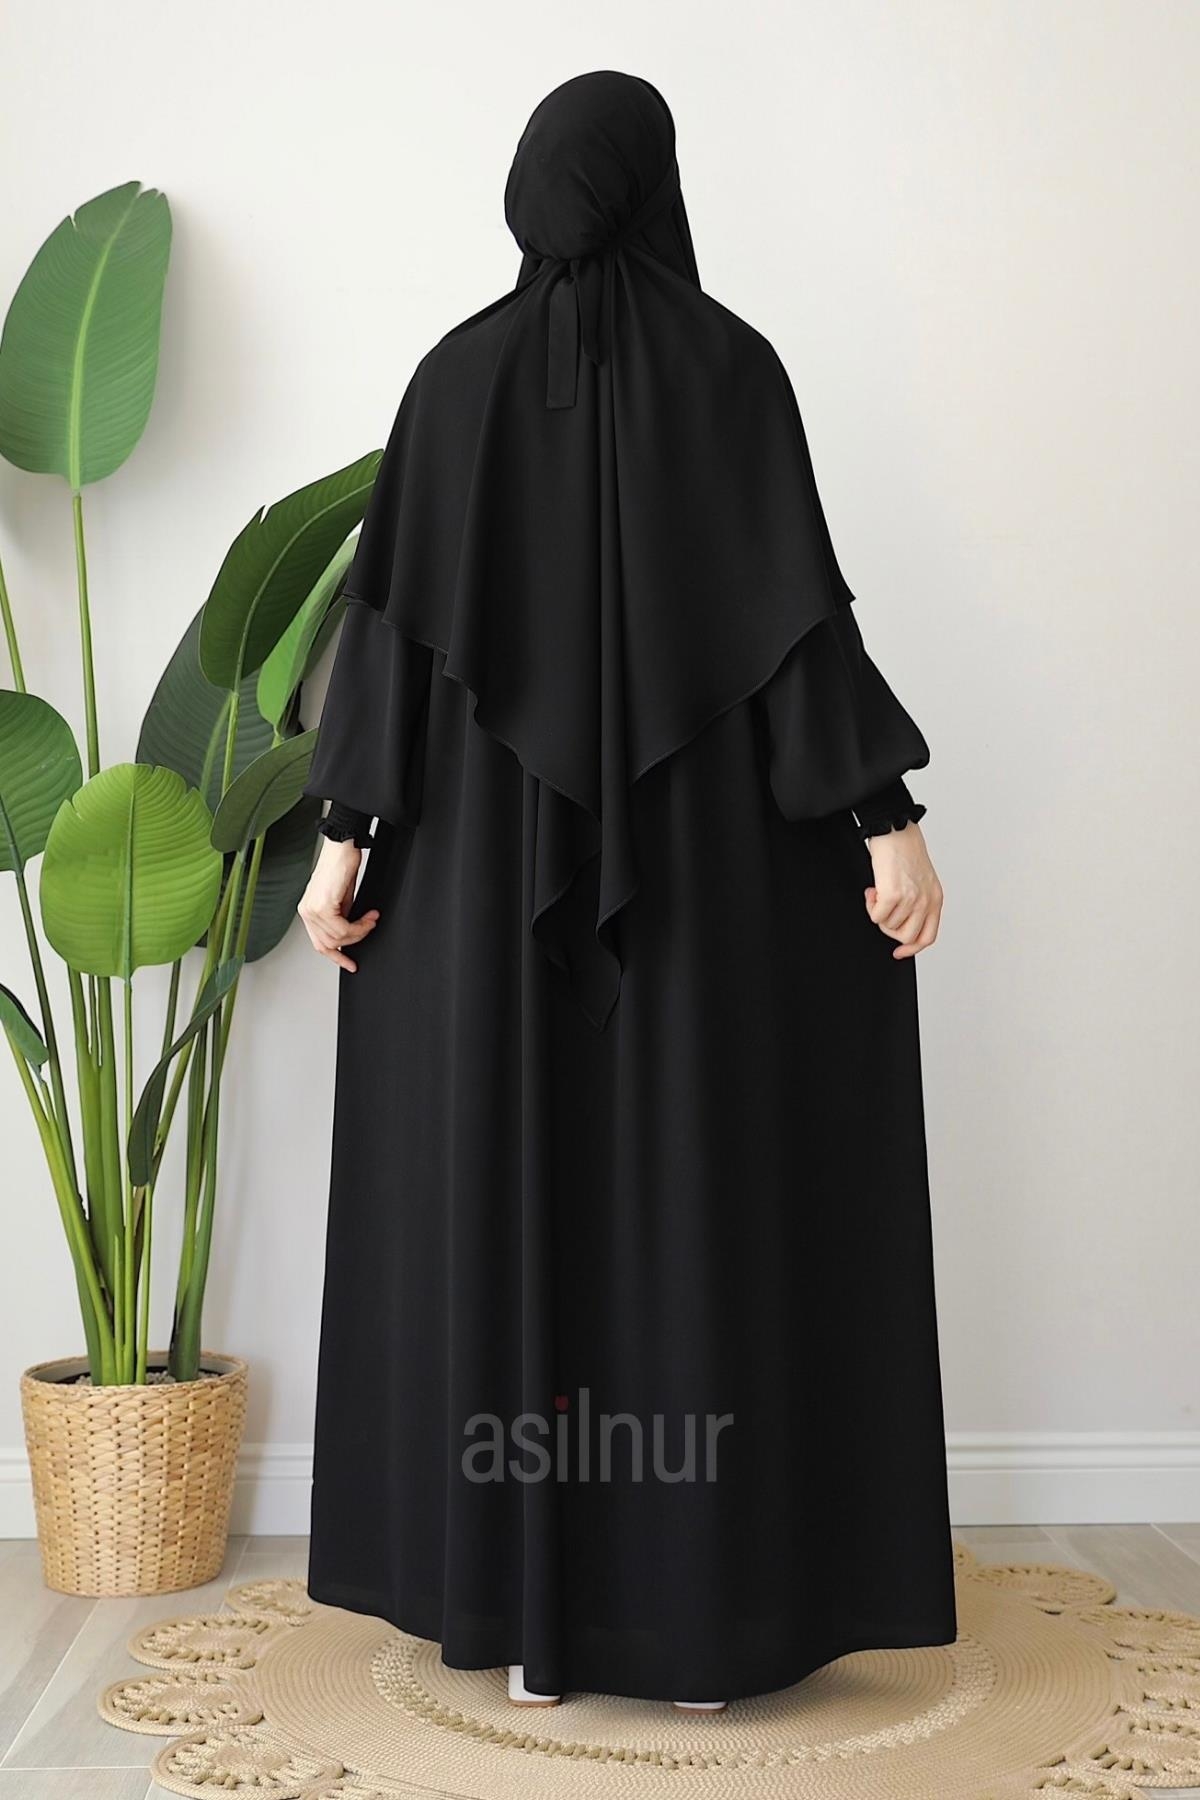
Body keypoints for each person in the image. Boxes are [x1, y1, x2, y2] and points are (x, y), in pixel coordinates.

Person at [298, 69, 956, 1711]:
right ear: (655, 184)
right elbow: (797, 634)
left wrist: (342, 846)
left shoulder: (451, 382)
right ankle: (698, 1629)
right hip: (708, 889)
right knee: (691, 1203)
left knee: (507, 1196)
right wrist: (883, 823)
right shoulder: (732, 370)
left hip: (477, 888)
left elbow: (388, 647)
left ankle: (524, 1620)